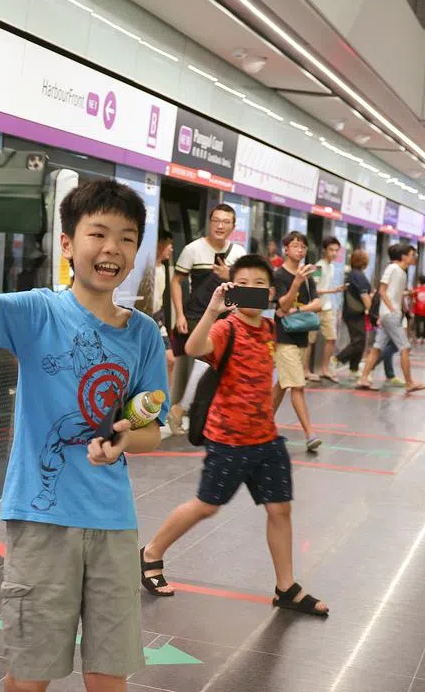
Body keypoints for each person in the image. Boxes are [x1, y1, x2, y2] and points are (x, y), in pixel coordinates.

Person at [0, 172, 170, 692]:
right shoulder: (38, 310)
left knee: (109, 674)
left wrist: (126, 441)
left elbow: (154, 427)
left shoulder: (144, 334)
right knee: (31, 673)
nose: (112, 249)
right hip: (40, 519)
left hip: (113, 521)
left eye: (127, 239)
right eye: (99, 233)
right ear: (67, 243)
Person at [138, 255, 328, 618]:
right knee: (206, 506)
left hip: (266, 439)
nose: (253, 291)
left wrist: (290, 292)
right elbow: (194, 349)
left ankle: (286, 587)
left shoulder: (269, 329)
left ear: (269, 292)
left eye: (260, 285)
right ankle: (150, 553)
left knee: (280, 509)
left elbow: (286, 309)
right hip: (228, 438)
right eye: (245, 285)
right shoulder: (228, 327)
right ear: (233, 291)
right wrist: (212, 310)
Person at [167, 205, 244, 433]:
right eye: (216, 220)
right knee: (204, 364)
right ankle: (180, 409)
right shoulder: (193, 249)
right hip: (197, 317)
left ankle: (188, 410)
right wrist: (179, 314)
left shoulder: (239, 253)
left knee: (213, 368)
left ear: (233, 226)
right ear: (210, 222)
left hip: (227, 318)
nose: (220, 226)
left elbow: (244, 290)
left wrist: (229, 276)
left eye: (226, 221)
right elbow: (176, 282)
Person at [271, 232, 322, 451]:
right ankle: (310, 434)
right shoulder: (279, 275)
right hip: (283, 337)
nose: (299, 250)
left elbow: (318, 303)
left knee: (283, 384)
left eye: (303, 247)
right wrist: (296, 283)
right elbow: (281, 306)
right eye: (295, 246)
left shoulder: (308, 276)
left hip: (301, 335)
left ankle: (259, 426)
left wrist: (298, 309)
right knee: (297, 386)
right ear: (286, 249)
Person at [356, 244, 425, 393]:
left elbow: (397, 293)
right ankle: (410, 383)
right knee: (405, 347)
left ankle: (363, 378)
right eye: (412, 254)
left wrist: (403, 309)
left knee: (377, 347)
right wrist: (392, 308)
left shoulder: (402, 271)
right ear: (403, 256)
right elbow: (382, 290)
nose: (414, 257)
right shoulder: (392, 268)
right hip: (390, 315)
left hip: (391, 314)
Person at [312, 237, 346, 382]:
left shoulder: (331, 266)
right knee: (310, 340)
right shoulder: (319, 267)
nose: (334, 253)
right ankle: (306, 370)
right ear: (324, 250)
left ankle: (324, 369)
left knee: (331, 338)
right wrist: (333, 291)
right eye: (331, 250)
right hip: (315, 307)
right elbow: (315, 289)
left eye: (336, 250)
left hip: (326, 307)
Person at [335, 248, 373, 373]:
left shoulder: (353, 274)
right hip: (355, 313)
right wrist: (372, 311)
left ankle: (354, 368)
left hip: (351, 312)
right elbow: (364, 295)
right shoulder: (359, 275)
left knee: (359, 341)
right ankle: (337, 359)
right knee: (359, 341)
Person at [151, 232, 177, 387]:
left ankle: (164, 399)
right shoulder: (146, 267)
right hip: (149, 318)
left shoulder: (162, 268)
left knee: (170, 359)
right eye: (169, 245)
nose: (171, 249)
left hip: (158, 319)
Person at [411, 275, 425, 344]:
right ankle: (424, 338)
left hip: (417, 310)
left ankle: (417, 337)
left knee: (417, 324)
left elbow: (413, 300)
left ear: (419, 281)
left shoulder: (416, 289)